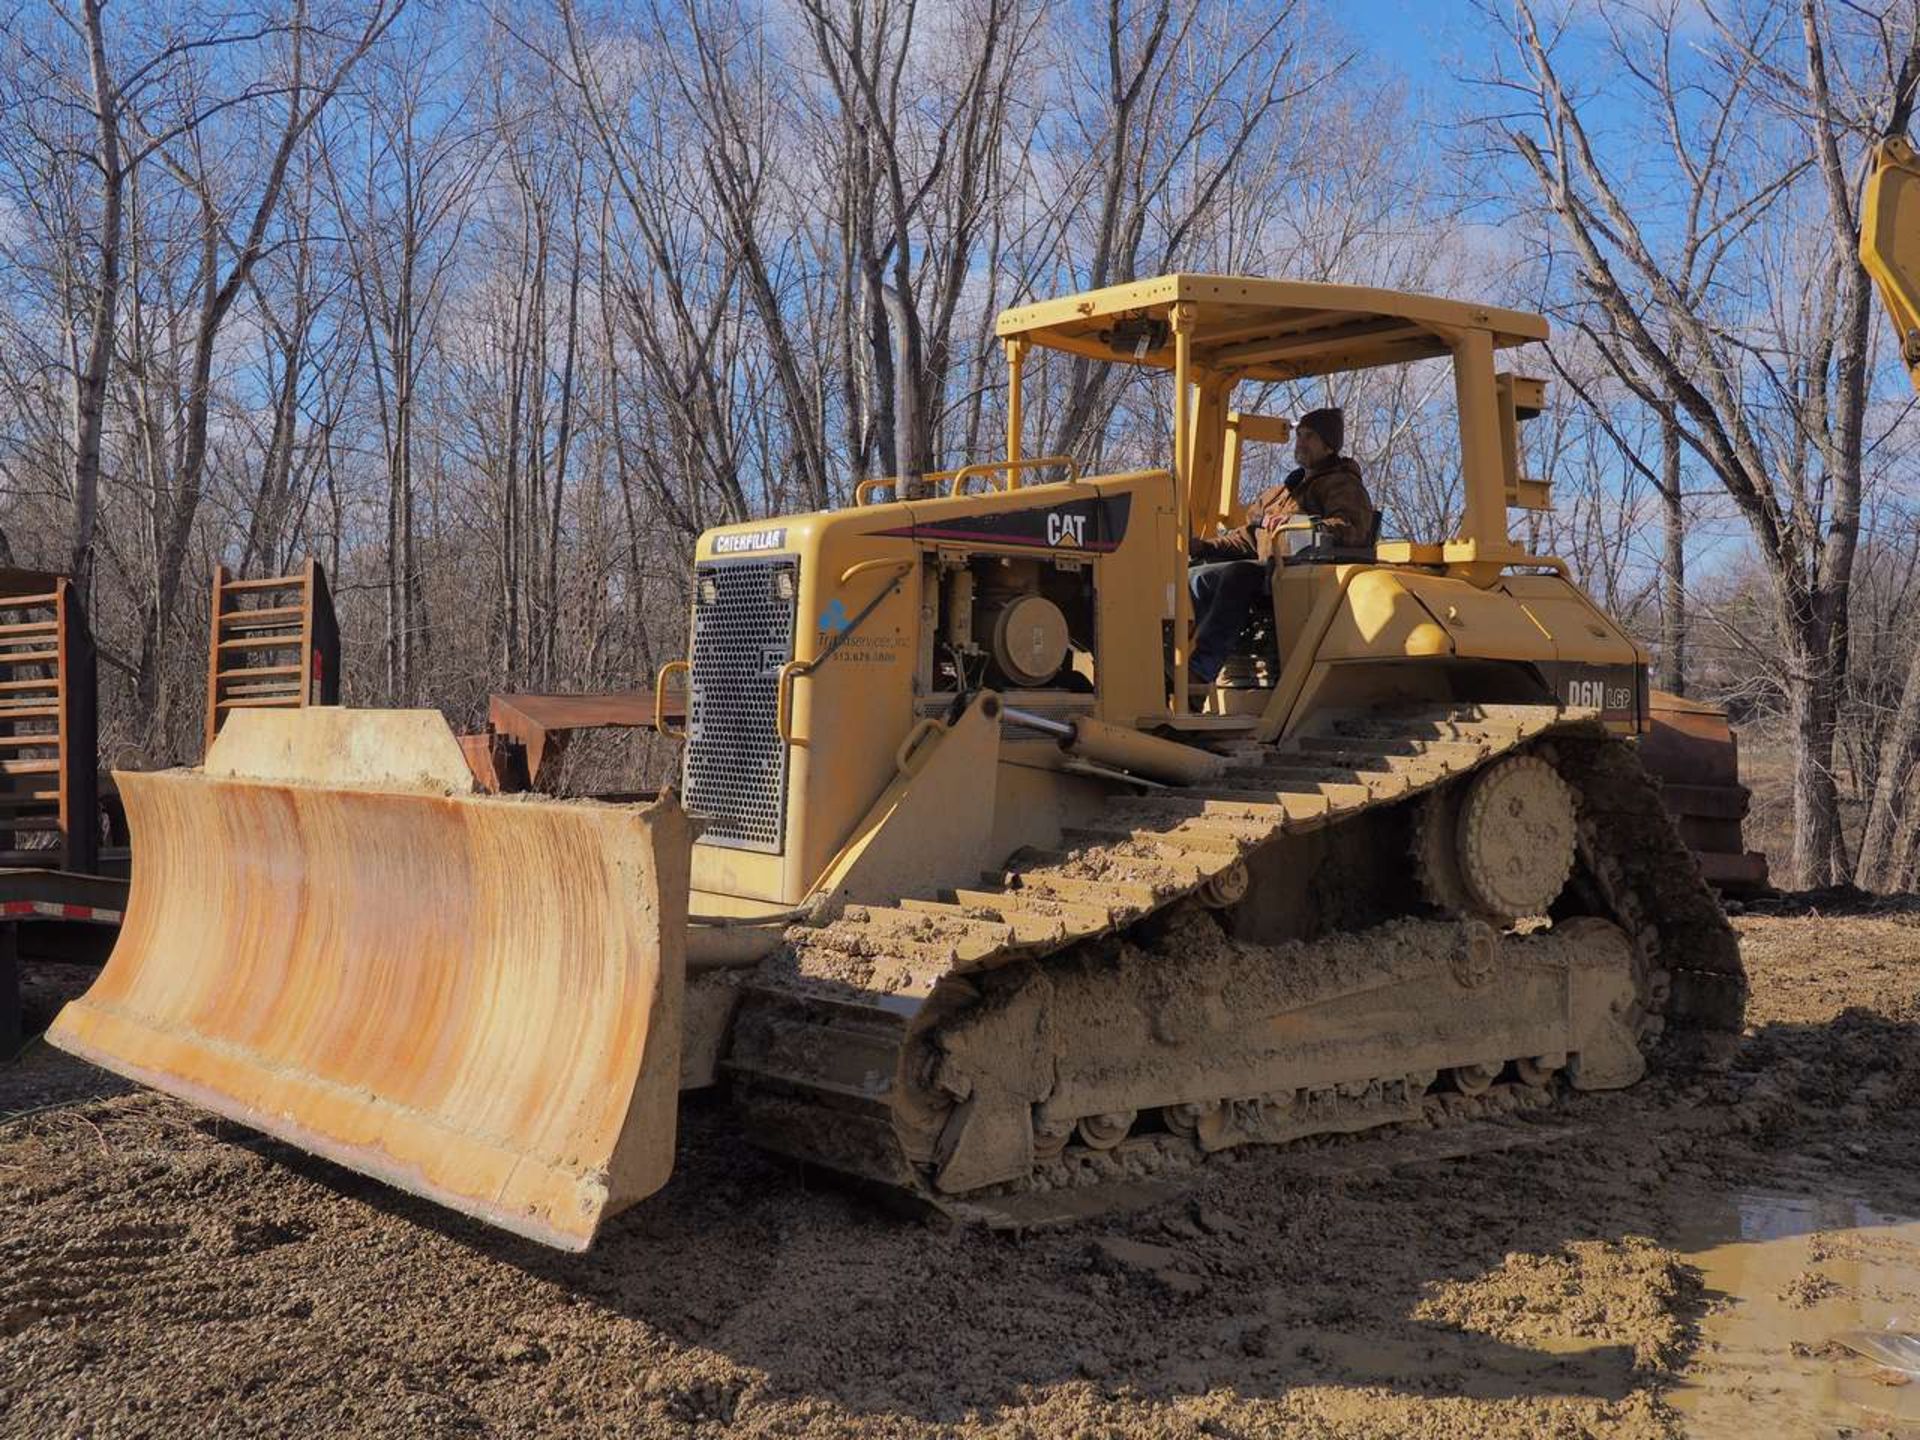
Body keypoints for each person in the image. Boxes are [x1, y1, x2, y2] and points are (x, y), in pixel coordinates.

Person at [1185, 407, 1373, 684]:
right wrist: (1204, 548)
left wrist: (1299, 522)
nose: (1301, 442)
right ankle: (1183, 663)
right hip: (1272, 570)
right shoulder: (1284, 491)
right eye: (1299, 435)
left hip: (1306, 576)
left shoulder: (1342, 485)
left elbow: (1350, 529)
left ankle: (1202, 669)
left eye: (1310, 436)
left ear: (1328, 445)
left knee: (1238, 574)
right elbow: (1249, 537)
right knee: (1197, 576)